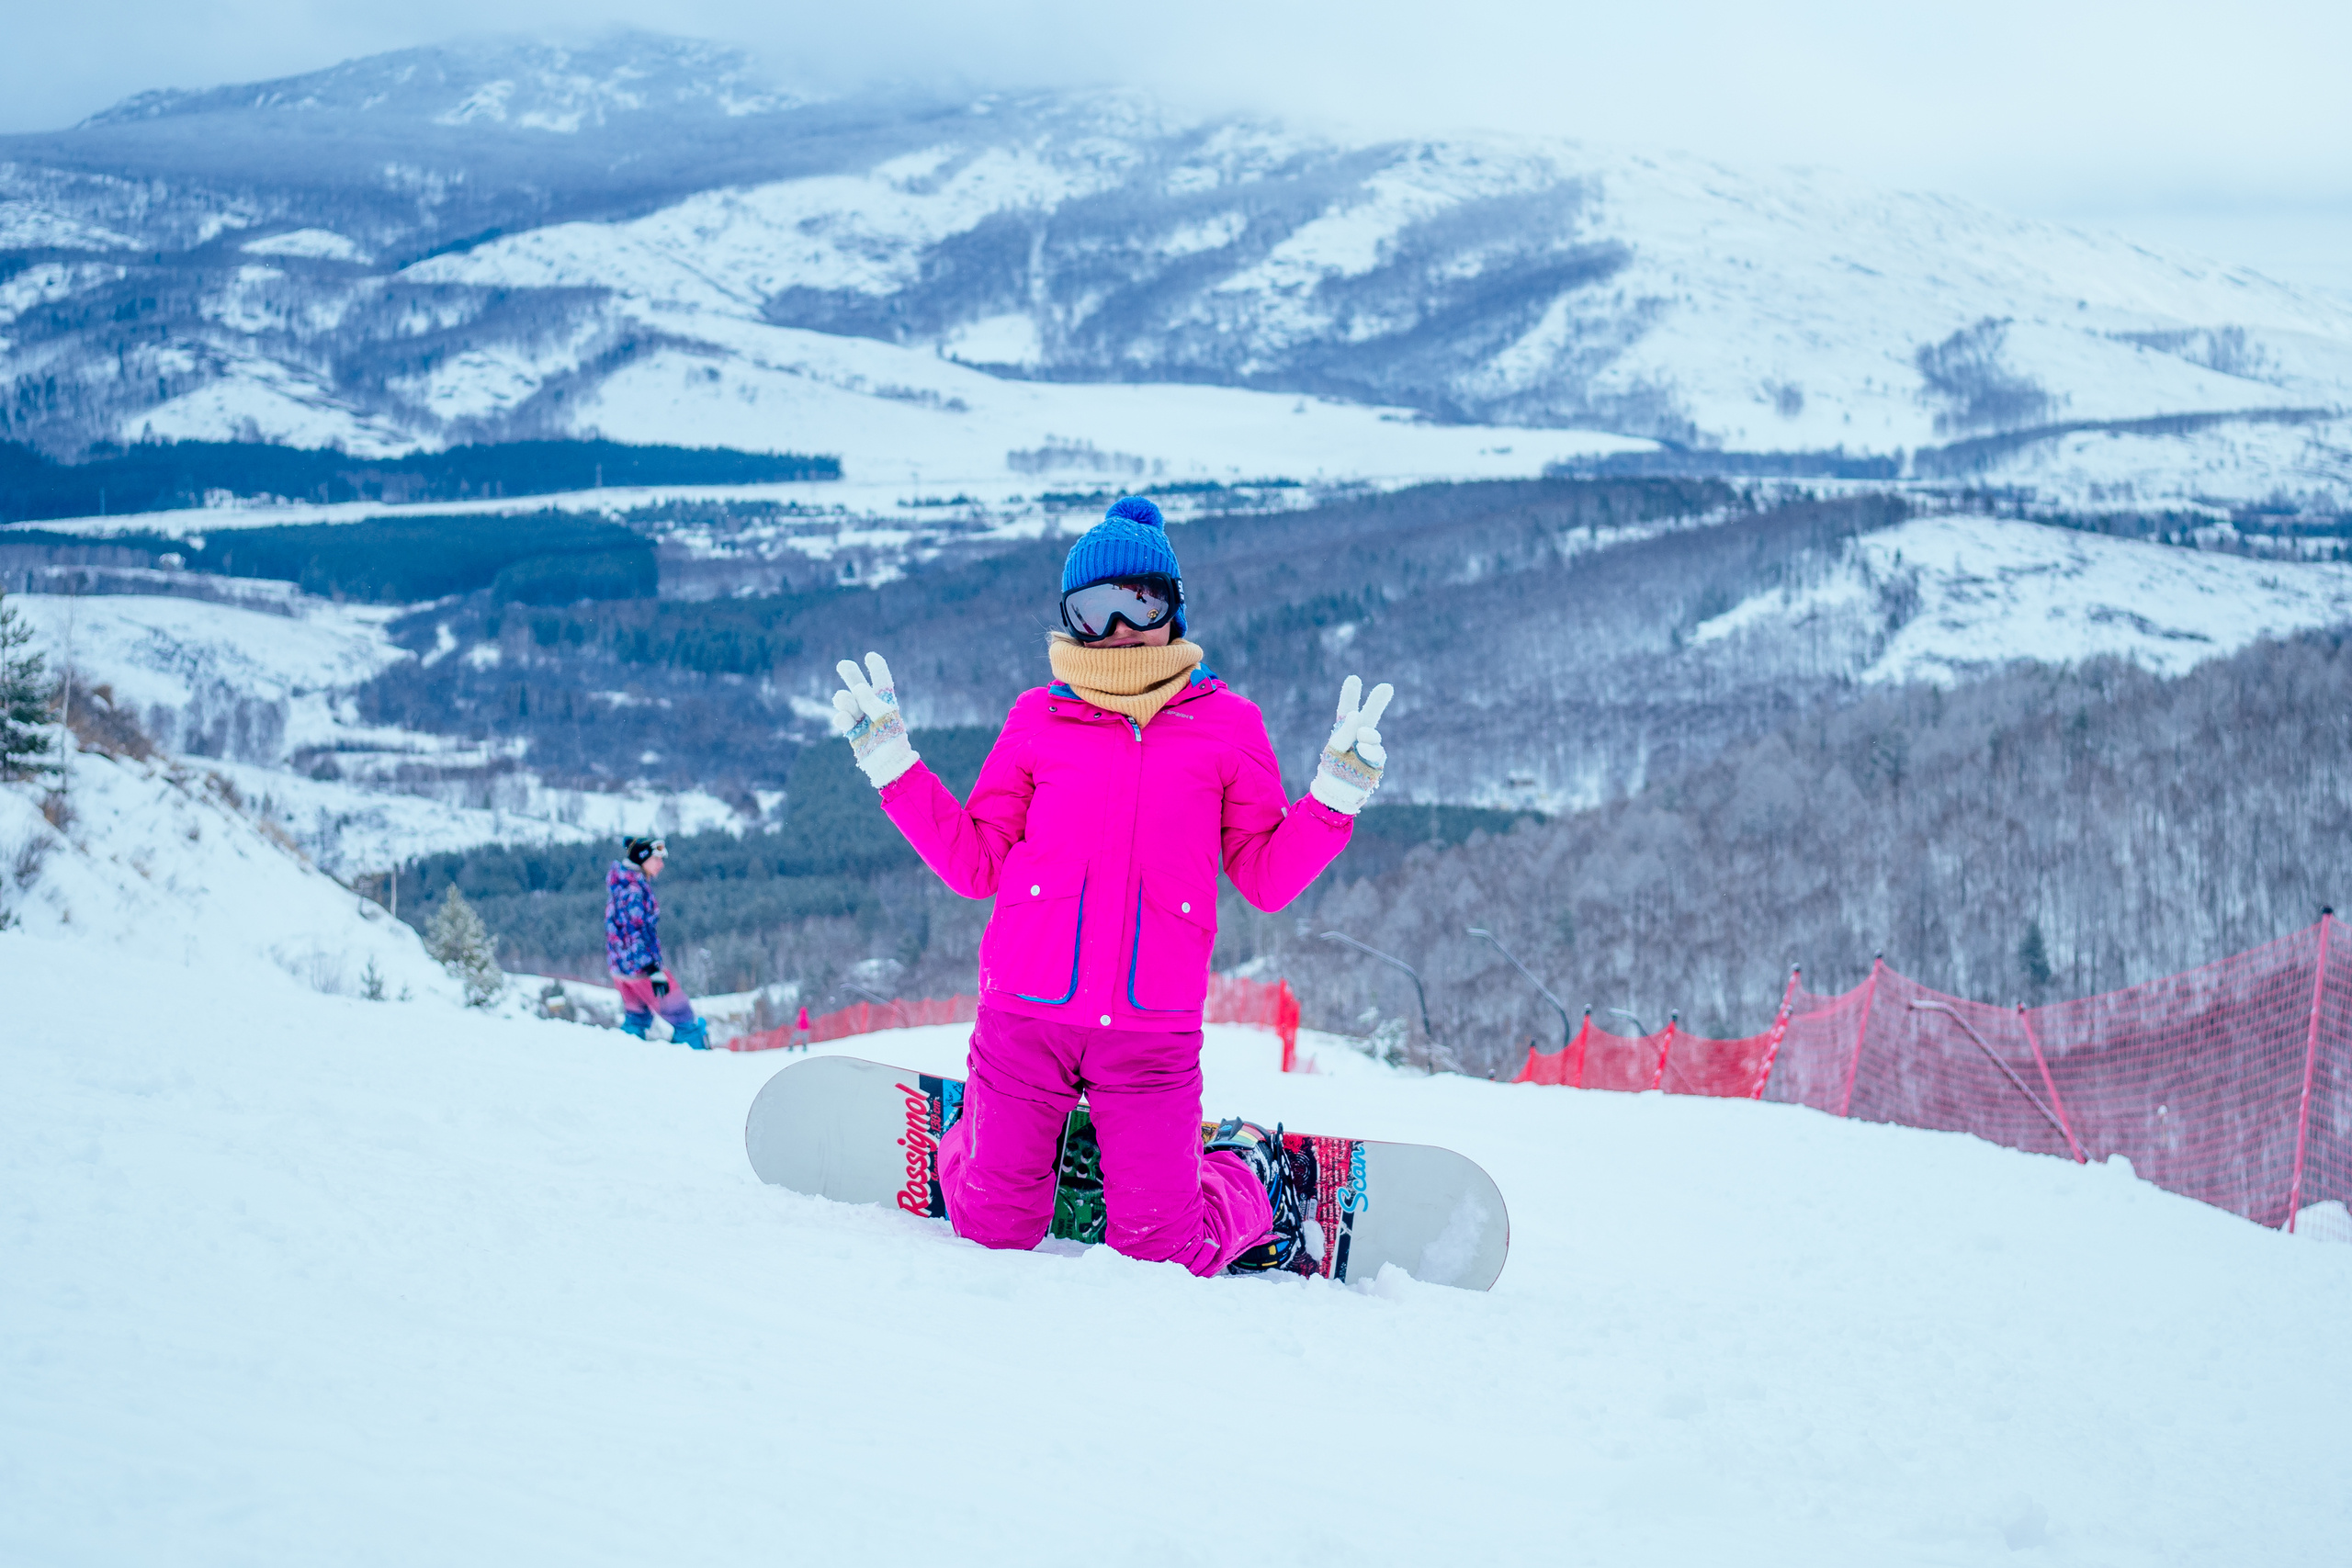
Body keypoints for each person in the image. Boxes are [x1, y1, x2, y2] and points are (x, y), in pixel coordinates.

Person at [831, 494, 1393, 1276]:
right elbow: (975, 864)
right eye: (1099, 609)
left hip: (1150, 1037)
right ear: (1071, 619)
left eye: (1143, 602)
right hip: (1024, 1020)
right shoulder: (1035, 719)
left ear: (1174, 608)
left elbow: (1264, 878)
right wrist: (893, 764)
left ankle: (1246, 1168)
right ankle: (982, 1130)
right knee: (993, 1230)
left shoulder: (1230, 727)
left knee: (1166, 1253)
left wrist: (1333, 797)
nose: (1124, 630)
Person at [605, 836, 709, 1049]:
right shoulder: (634, 890)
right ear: (643, 859)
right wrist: (652, 968)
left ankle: (627, 1061)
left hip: (620, 970)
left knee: (637, 1019)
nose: (661, 864)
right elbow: (635, 931)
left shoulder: (622, 885)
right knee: (685, 1019)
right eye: (657, 859)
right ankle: (698, 1064)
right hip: (642, 969)